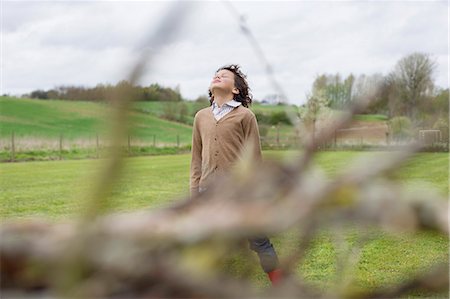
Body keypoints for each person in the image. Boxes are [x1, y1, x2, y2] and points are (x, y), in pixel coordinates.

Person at [190, 64, 282, 285]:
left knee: (260, 241)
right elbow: (196, 159)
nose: (217, 76)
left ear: (236, 90)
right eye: (215, 75)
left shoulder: (245, 116)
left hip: (240, 192)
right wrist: (194, 193)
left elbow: (255, 160)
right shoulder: (200, 117)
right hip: (208, 192)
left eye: (224, 76)